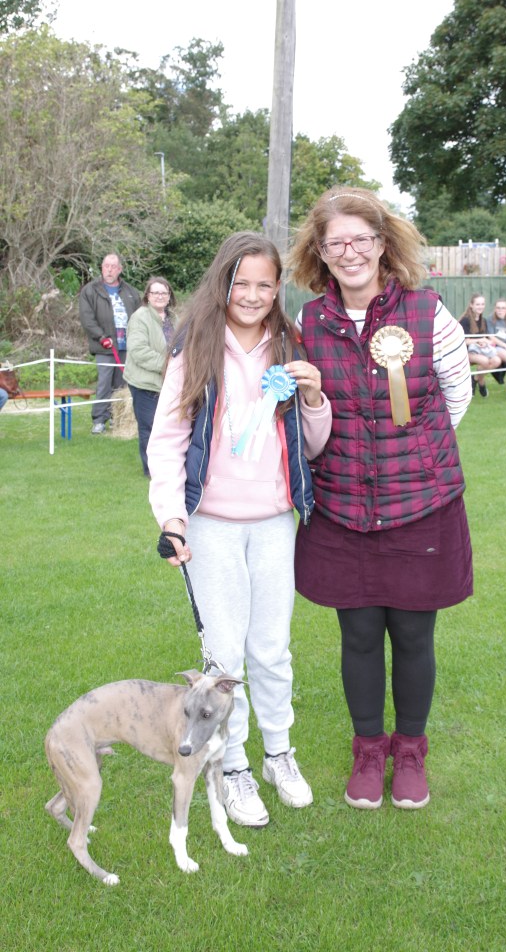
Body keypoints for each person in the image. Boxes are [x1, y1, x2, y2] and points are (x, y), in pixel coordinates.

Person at [288, 186, 473, 812]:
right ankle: (369, 751)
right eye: (335, 243)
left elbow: (456, 398)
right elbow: (308, 415)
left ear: (382, 242)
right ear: (320, 252)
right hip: (342, 510)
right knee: (360, 637)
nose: (350, 253)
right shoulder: (309, 323)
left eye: (360, 239)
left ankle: (411, 752)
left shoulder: (428, 312)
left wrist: (414, 457)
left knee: (415, 637)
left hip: (420, 508)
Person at [147, 232, 331, 829]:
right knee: (224, 657)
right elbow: (168, 440)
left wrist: (314, 397)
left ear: (278, 289)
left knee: (272, 649)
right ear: (222, 282)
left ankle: (279, 755)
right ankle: (233, 767)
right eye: (241, 283)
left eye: (264, 285)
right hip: (212, 527)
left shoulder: (291, 344)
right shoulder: (194, 345)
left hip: (276, 523)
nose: (252, 295)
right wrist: (172, 518)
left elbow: (311, 445)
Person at [79, 254, 141, 434]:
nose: (109, 270)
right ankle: (99, 420)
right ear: (102, 268)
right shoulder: (90, 291)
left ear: (120, 269)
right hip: (105, 346)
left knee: (122, 385)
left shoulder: (130, 291)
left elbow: (139, 317)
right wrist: (101, 337)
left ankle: (118, 418)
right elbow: (87, 319)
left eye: (114, 266)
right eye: (107, 266)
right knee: (104, 384)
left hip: (127, 347)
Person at [123, 276, 177, 476]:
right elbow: (138, 351)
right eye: (155, 292)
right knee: (150, 427)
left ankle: (168, 465)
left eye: (164, 293)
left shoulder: (174, 319)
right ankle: (152, 470)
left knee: (168, 427)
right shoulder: (140, 317)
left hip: (168, 383)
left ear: (169, 296)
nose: (160, 296)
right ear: (147, 296)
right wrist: (168, 364)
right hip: (144, 384)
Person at [459, 293, 502, 398]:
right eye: (477, 304)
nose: (480, 307)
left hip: (479, 350)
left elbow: (483, 339)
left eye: (482, 304)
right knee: (485, 361)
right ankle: (481, 383)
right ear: (471, 305)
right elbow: (463, 341)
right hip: (465, 352)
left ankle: (475, 379)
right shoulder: (465, 320)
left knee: (497, 360)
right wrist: (479, 340)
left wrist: (483, 342)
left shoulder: (483, 320)